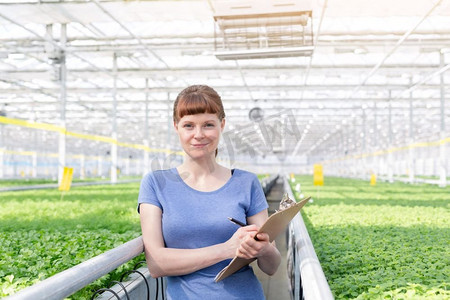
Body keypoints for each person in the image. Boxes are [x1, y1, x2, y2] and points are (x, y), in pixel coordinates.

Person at [138, 85, 281, 299]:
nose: (199, 134)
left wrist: (263, 248)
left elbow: (271, 266)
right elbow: (157, 264)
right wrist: (227, 249)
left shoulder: (246, 182)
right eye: (188, 125)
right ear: (176, 126)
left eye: (208, 125)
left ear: (222, 125)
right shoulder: (156, 184)